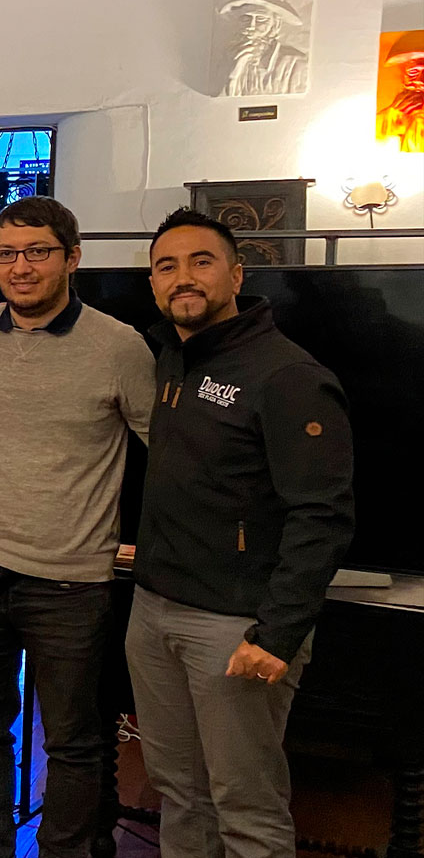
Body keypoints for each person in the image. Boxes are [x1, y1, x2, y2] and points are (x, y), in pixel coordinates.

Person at [0, 196, 155, 858]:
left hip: (70, 586)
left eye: (37, 252)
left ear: (72, 258)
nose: (20, 267)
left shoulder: (119, 346)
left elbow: (169, 453)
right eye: (6, 254)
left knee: (73, 741)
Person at [127, 209, 354, 858]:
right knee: (177, 791)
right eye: (167, 266)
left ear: (236, 274)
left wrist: (277, 634)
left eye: (201, 261)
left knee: (246, 806)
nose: (183, 277)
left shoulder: (287, 376)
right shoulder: (171, 358)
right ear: (153, 283)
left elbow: (323, 514)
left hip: (235, 626)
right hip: (153, 610)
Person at [219, 0, 309, 97]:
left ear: (275, 24)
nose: (251, 26)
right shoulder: (226, 60)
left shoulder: (295, 63)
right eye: (245, 18)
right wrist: (234, 73)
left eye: (261, 19)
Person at [376, 29, 424, 153]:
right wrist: (393, 115)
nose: (420, 81)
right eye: (414, 72)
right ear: (404, 76)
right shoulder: (392, 114)